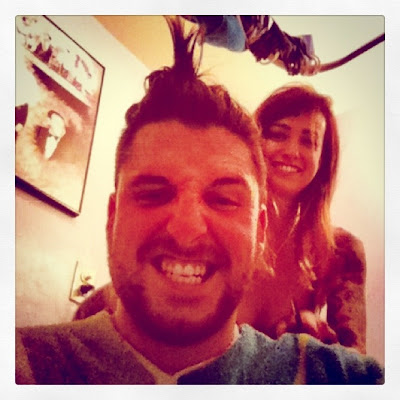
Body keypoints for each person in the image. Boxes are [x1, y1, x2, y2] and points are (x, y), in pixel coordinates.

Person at [16, 17, 383, 385]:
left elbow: (355, 363)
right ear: (112, 217)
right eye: (154, 194)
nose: (187, 228)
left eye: (223, 199)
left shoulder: (339, 254)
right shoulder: (28, 364)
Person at [237, 83, 367, 353]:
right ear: (253, 142)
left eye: (308, 141)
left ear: (322, 160)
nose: (292, 151)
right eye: (278, 135)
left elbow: (355, 365)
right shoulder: (223, 227)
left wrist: (320, 343)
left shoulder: (342, 251)